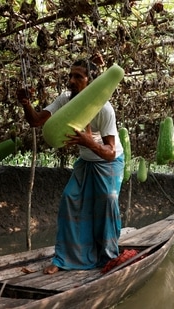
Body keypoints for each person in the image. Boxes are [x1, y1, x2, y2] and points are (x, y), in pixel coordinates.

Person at [17, 59, 124, 274]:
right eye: (70, 76)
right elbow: (37, 121)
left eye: (78, 77)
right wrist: (26, 103)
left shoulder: (104, 109)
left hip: (107, 162)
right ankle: (64, 259)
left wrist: (89, 142)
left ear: (91, 82)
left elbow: (111, 152)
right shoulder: (66, 99)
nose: (71, 81)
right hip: (86, 162)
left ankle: (107, 257)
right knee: (70, 199)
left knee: (107, 201)